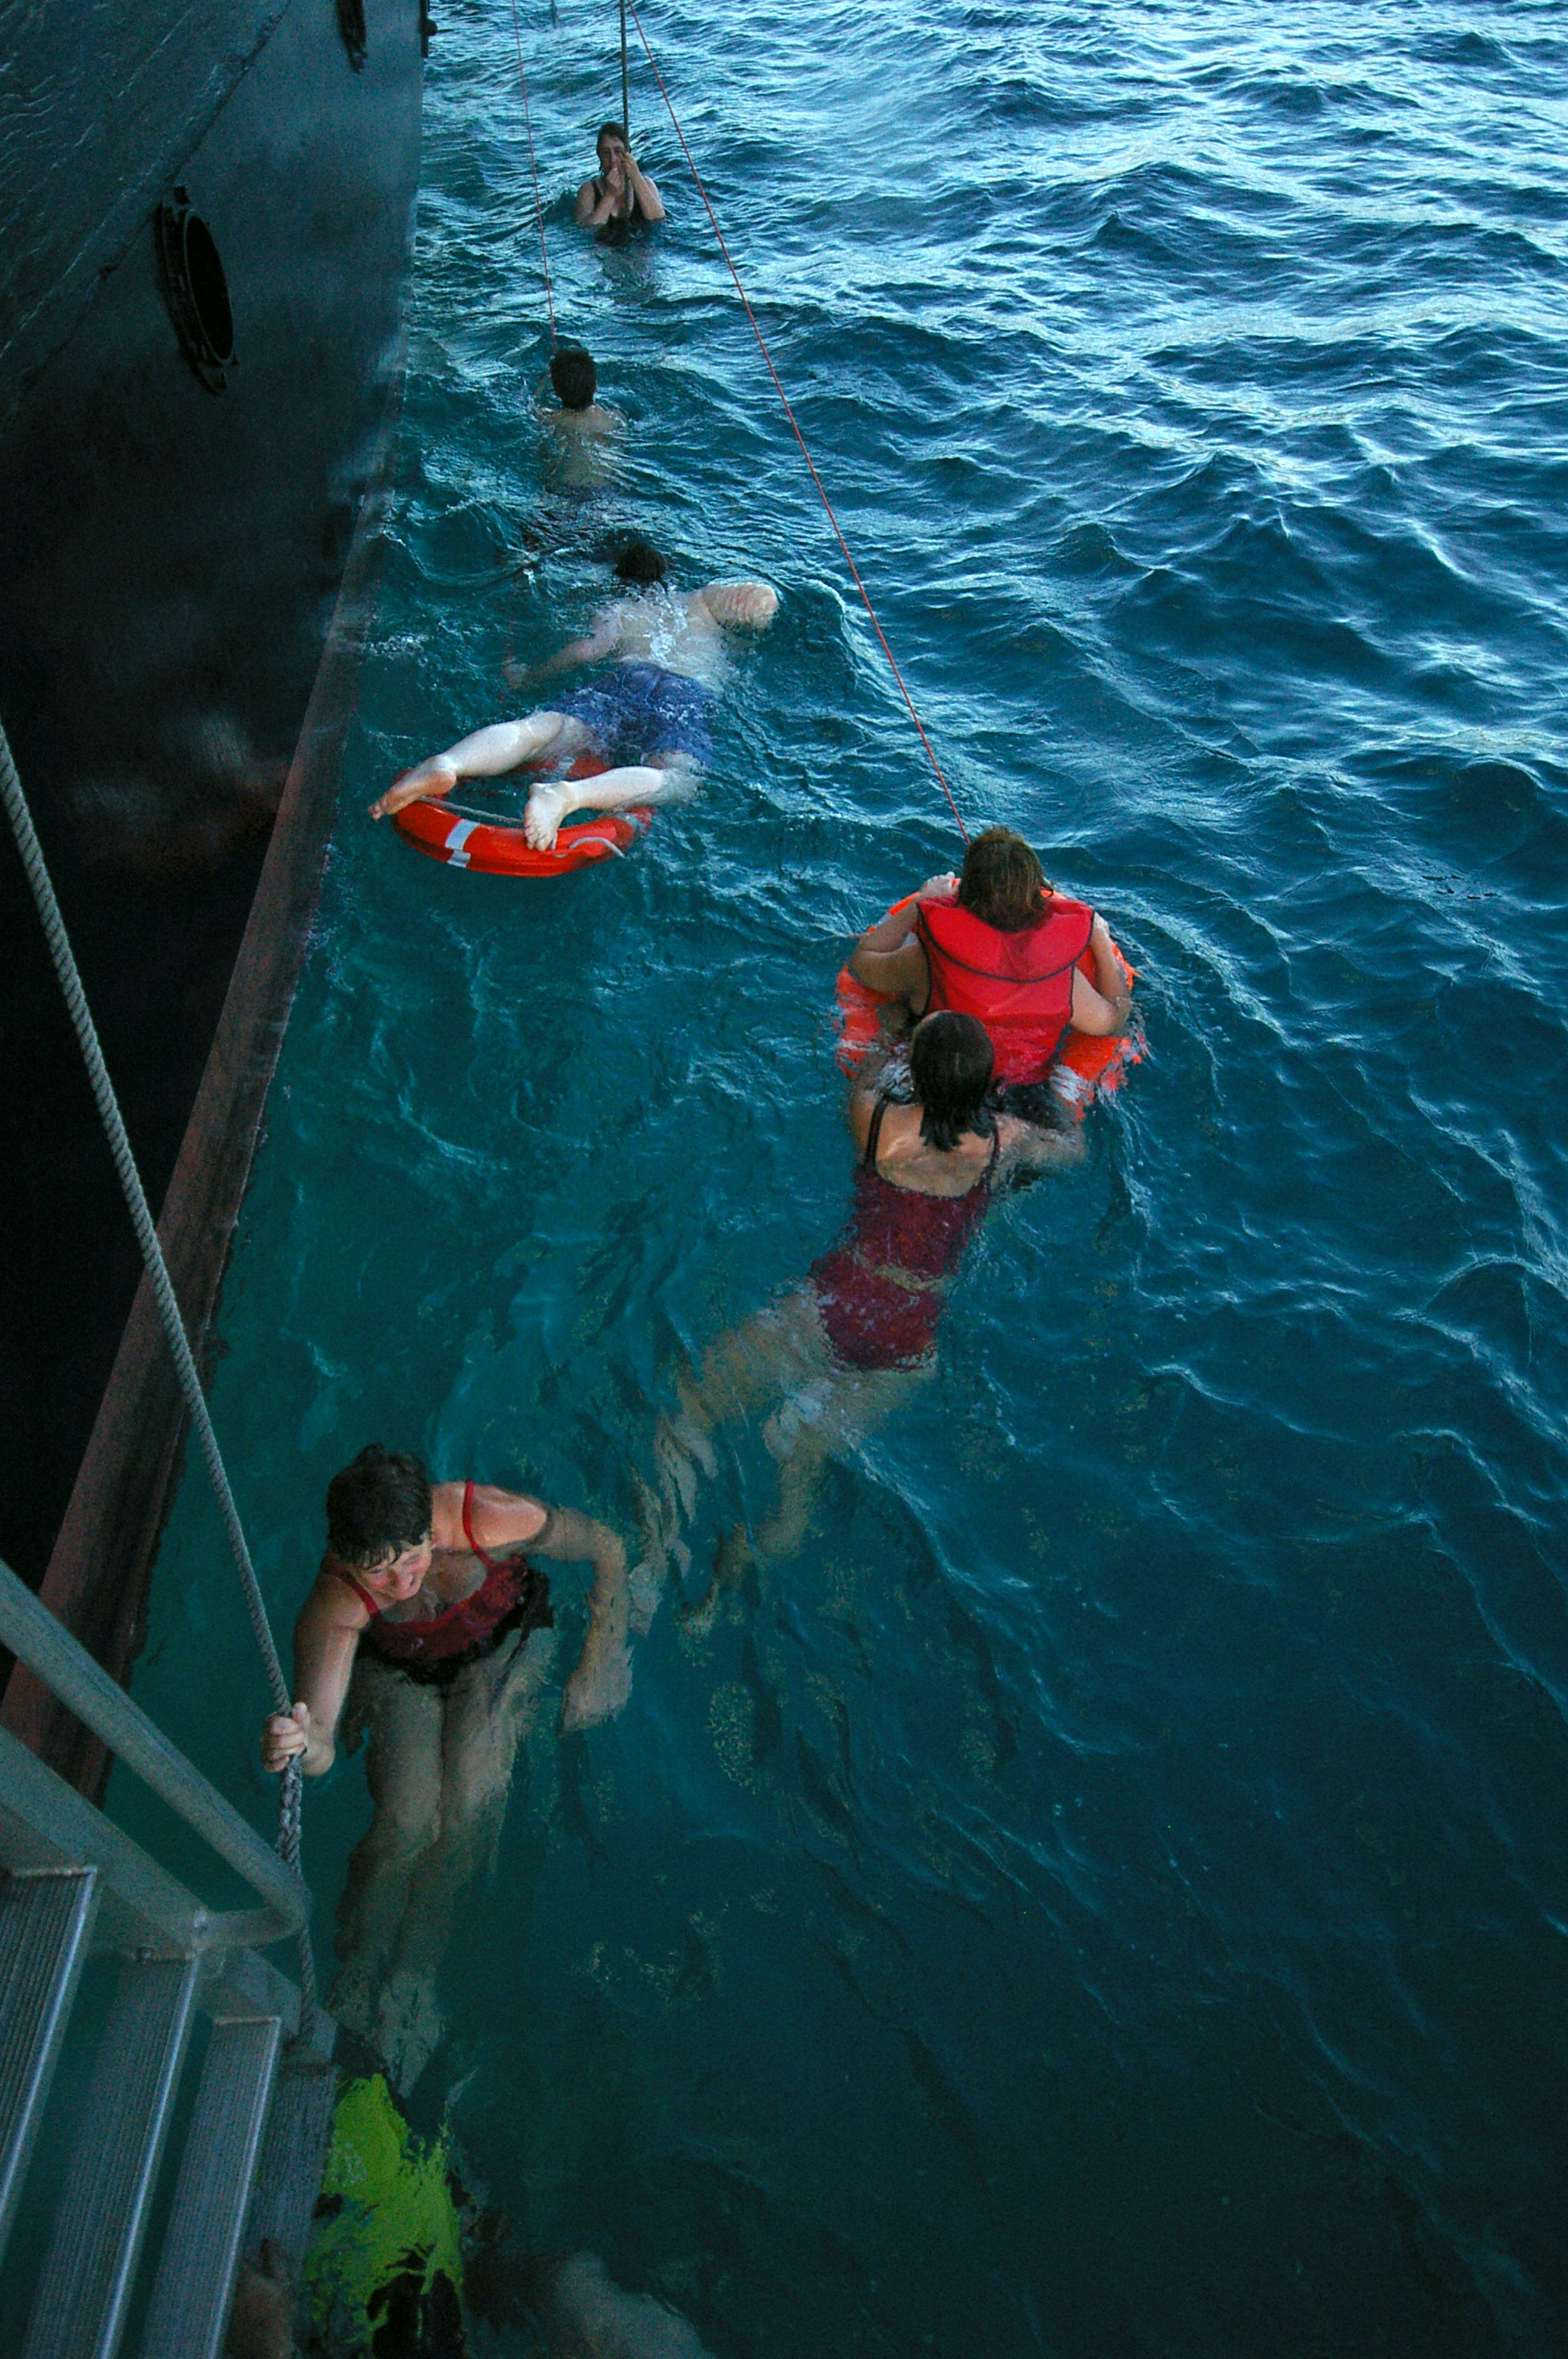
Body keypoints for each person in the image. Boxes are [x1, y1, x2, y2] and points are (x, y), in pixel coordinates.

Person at [634, 1012, 1077, 1613]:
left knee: (691, 1402)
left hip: (841, 1301)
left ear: (916, 1077)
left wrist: (894, 1030)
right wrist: (1056, 1091)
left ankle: (655, 1560)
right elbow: (1071, 1152)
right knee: (796, 1475)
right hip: (910, 1339)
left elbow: (864, 1068)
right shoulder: (1004, 1140)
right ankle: (715, 1601)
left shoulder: (879, 1124)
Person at [261, 1446, 632, 2090]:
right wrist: (300, 1743)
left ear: (429, 1532)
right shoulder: (335, 1604)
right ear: (349, 1561)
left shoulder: (483, 1517)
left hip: (505, 1640)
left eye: (412, 1559)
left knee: (466, 1807)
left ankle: (414, 1978)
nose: (402, 1584)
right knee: (404, 1821)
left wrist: (600, 1654)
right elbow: (318, 1747)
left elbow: (609, 1549)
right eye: (380, 1575)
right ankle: (358, 1971)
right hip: (403, 1670)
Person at [369, 540, 779, 851]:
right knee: (679, 778)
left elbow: (587, 651)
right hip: (683, 696)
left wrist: (529, 676)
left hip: (623, 680)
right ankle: (566, 795)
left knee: (541, 729)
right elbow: (761, 599)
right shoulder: (699, 603)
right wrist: (759, 609)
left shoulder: (621, 609)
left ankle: (449, 761)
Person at [848, 827, 1132, 1123]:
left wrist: (921, 903)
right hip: (1021, 1103)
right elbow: (1114, 1018)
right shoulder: (1064, 979)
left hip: (932, 1088)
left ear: (963, 896)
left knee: (895, 1015)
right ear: (1038, 900)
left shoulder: (928, 960)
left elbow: (863, 964)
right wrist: (1099, 939)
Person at [539, 343, 622, 493]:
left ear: (557, 392)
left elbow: (531, 404)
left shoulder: (551, 419)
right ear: (596, 386)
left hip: (563, 492)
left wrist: (544, 381)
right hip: (605, 493)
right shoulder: (615, 419)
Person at [575, 121, 665, 238]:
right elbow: (587, 231)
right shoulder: (589, 190)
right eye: (606, 153)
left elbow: (658, 221)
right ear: (599, 156)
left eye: (618, 152)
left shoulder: (647, 184)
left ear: (628, 153)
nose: (613, 160)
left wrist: (636, 178)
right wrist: (610, 195)